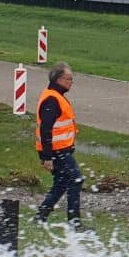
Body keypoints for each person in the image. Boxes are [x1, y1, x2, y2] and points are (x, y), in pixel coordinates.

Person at [33, 61, 83, 228]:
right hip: (57, 151)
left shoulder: (56, 96)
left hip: (60, 150)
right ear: (59, 79)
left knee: (61, 183)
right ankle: (74, 223)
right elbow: (45, 129)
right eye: (69, 79)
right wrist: (47, 157)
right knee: (76, 179)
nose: (71, 83)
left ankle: (41, 217)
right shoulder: (52, 100)